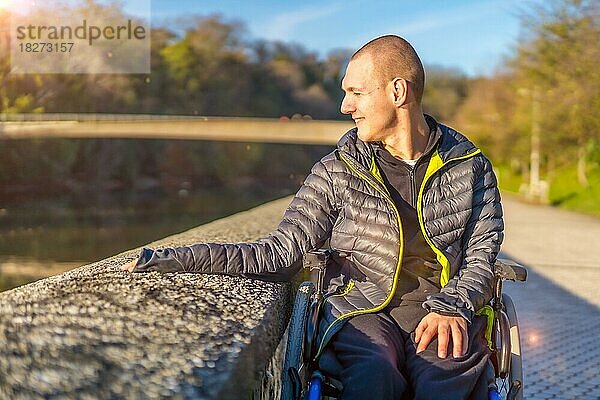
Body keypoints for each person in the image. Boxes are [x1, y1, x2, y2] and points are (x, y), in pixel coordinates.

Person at [122, 35, 503, 400]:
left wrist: (453, 305)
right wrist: (177, 258)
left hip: (442, 309)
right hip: (361, 308)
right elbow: (278, 252)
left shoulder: (471, 167)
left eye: (355, 92)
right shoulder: (337, 170)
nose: (344, 106)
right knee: (375, 373)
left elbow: (480, 258)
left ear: (397, 92)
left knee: (443, 380)